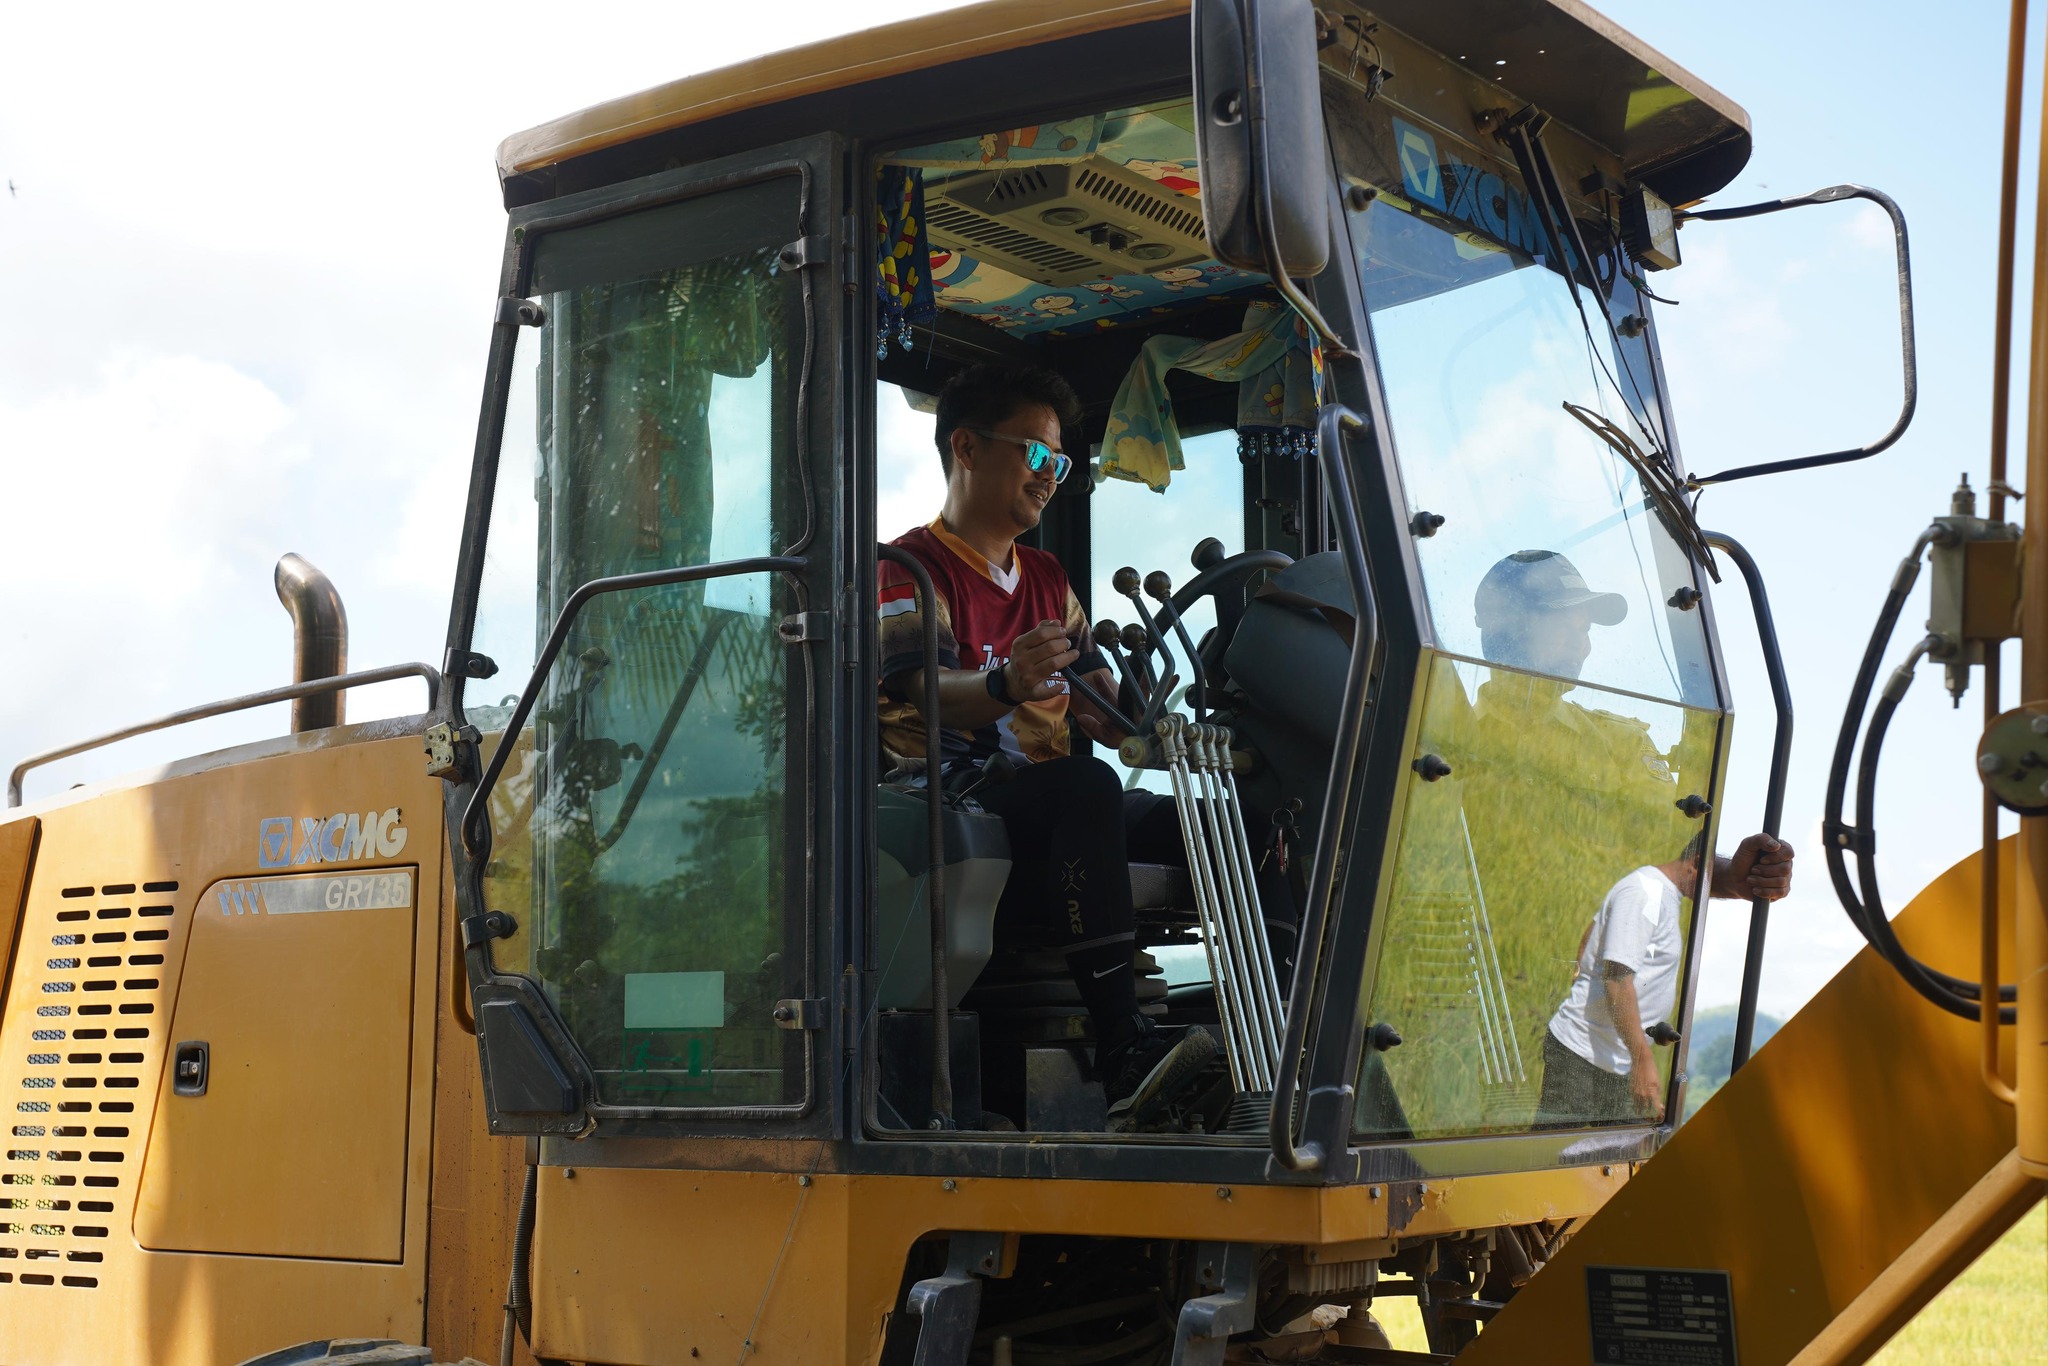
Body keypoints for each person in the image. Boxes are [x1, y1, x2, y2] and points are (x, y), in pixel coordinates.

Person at [876, 361, 1213, 1125]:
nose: (1051, 477)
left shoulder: (1049, 577)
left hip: (1044, 806)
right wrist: (1002, 686)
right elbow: (924, 691)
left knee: (1198, 820)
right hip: (949, 803)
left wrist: (1142, 713)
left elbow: (1098, 709)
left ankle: (1288, 1042)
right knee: (1085, 790)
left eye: (1060, 463)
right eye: (1035, 454)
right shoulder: (904, 568)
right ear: (966, 447)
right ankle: (1124, 1048)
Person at [1538, 830, 1706, 1124]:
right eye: (1714, 879)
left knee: (1617, 1159)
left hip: (1616, 1059)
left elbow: (1591, 933)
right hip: (1582, 1057)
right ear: (1696, 863)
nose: (1713, 891)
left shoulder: (1663, 895)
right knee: (1555, 1160)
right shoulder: (1646, 892)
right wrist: (1643, 1059)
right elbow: (1616, 977)